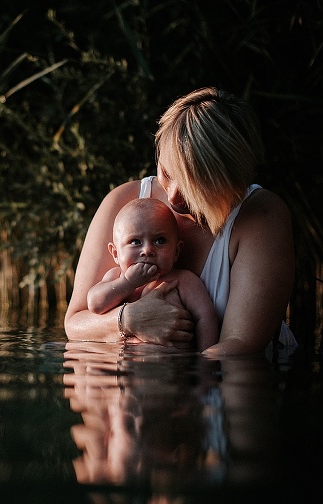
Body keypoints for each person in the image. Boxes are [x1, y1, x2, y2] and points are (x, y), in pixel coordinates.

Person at [64, 86, 296, 357]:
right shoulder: (124, 202)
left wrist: (188, 388)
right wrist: (129, 320)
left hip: (227, 382)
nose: (173, 197)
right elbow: (76, 323)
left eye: (192, 184)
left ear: (228, 177)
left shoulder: (261, 216)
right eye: (166, 172)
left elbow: (239, 347)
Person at [87, 197, 218, 352]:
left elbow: (206, 318)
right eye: (135, 242)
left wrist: (205, 362)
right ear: (115, 253)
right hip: (124, 367)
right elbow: (95, 304)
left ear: (176, 251)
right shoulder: (116, 278)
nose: (148, 250)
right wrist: (127, 283)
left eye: (160, 241)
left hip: (174, 367)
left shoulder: (183, 281)